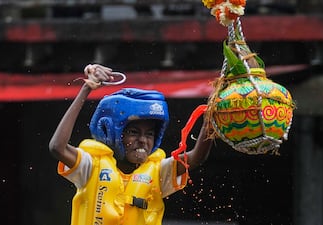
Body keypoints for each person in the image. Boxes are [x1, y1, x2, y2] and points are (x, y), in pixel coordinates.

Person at [49, 64, 213, 225]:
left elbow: (196, 157)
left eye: (149, 134)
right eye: (134, 132)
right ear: (114, 132)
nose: (143, 140)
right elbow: (58, 147)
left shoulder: (158, 171)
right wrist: (87, 88)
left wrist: (211, 119)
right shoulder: (92, 167)